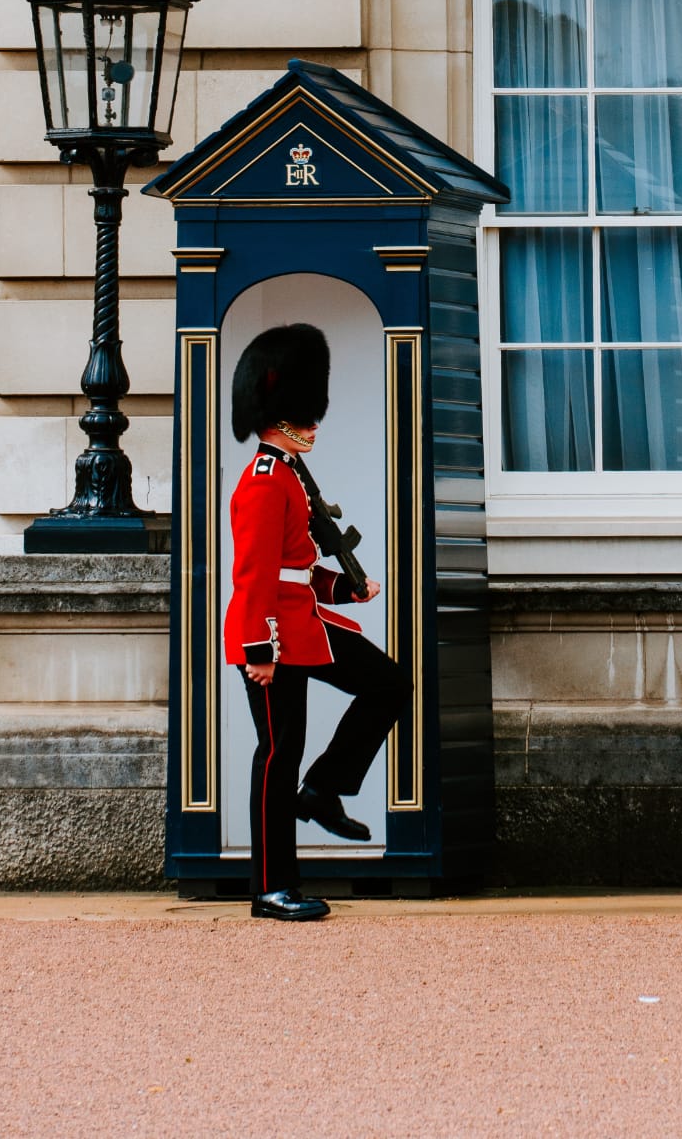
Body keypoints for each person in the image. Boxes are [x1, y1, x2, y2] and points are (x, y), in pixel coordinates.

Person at [224, 322, 411, 923]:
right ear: (278, 417)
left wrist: (345, 589)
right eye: (303, 417)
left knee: (388, 684)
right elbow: (253, 578)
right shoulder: (262, 483)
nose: (313, 426)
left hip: (301, 621)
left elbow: (295, 568)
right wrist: (259, 649)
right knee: (278, 755)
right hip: (272, 635)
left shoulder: (291, 477)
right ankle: (272, 887)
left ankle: (325, 789)